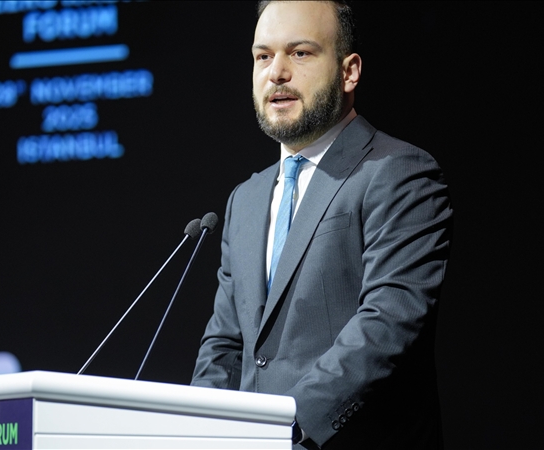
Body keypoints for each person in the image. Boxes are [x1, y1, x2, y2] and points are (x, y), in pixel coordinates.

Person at [190, 1, 452, 448]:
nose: (276, 72)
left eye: (300, 53)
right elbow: (225, 346)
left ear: (349, 71)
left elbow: (385, 327)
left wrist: (281, 429)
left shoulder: (399, 173)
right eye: (263, 56)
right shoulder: (245, 200)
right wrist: (199, 432)